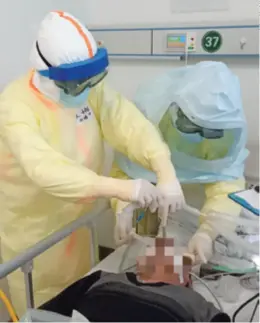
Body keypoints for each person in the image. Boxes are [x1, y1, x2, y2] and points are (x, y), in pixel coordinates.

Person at [0, 11, 184, 316]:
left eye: (92, 80)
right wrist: (121, 189)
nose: (86, 89)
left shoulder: (84, 89)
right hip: (35, 240)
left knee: (81, 304)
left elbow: (129, 125)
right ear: (45, 73)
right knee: (42, 311)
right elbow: (45, 169)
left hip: (79, 229)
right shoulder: (14, 107)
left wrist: (164, 170)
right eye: (76, 84)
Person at [114, 61, 253, 269]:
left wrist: (207, 233)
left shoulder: (225, 141)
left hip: (197, 229)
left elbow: (226, 191)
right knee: (144, 270)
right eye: (191, 129)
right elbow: (125, 172)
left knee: (188, 276)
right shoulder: (149, 124)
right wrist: (123, 209)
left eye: (211, 132)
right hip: (147, 224)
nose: (201, 138)